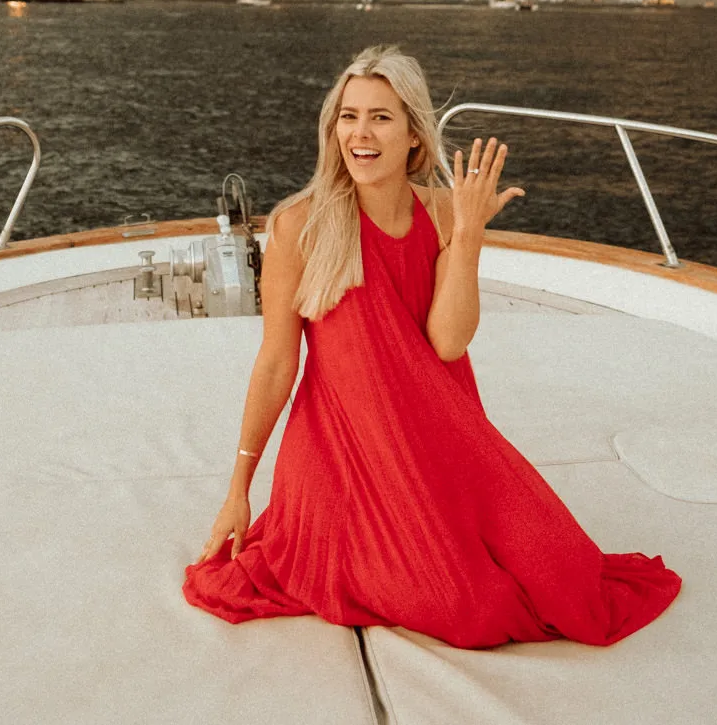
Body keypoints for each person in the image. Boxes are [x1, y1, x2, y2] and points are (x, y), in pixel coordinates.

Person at [183, 45, 681, 650]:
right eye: (348, 116)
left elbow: (449, 341)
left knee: (568, 578)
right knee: (470, 611)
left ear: (415, 136)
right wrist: (239, 490)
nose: (359, 134)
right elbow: (277, 361)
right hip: (345, 452)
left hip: (446, 436)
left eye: (381, 117)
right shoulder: (301, 224)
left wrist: (469, 234)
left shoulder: (445, 212)